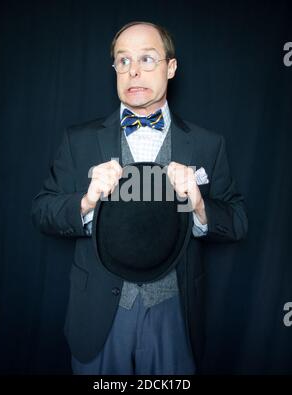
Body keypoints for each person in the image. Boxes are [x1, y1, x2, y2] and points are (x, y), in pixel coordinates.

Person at [31, 21, 248, 375]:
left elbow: (237, 220)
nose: (133, 71)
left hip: (175, 310)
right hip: (99, 311)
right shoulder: (79, 140)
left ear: (171, 67)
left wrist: (199, 206)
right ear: (114, 68)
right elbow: (42, 211)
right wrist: (85, 202)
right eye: (123, 60)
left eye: (147, 59)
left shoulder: (208, 144)